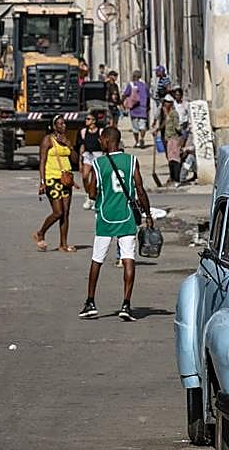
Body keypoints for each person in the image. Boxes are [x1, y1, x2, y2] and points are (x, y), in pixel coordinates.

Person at [79, 126, 152, 321]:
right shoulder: (131, 161)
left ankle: (91, 302)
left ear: (106, 140)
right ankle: (126, 305)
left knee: (97, 259)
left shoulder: (99, 163)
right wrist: (148, 214)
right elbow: (140, 189)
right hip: (126, 216)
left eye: (101, 140)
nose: (100, 143)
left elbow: (92, 193)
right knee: (128, 258)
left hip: (105, 216)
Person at [34, 114, 77, 253]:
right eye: (60, 124)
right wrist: (42, 182)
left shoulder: (66, 140)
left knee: (66, 213)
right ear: (54, 126)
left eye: (64, 123)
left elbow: (76, 160)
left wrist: (69, 146)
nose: (63, 126)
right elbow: (42, 161)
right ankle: (41, 232)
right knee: (58, 212)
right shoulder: (48, 140)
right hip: (52, 178)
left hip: (66, 179)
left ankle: (63, 244)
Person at [77, 112, 103, 211]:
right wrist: (80, 161)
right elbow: (82, 146)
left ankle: (95, 198)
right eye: (86, 119)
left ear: (94, 121)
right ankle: (89, 195)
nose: (86, 121)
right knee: (85, 176)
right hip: (87, 155)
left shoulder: (100, 131)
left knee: (95, 179)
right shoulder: (83, 131)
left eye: (88, 119)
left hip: (98, 155)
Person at [156, 94, 184, 185]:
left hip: (174, 138)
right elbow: (165, 123)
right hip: (168, 138)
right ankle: (172, 177)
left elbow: (177, 126)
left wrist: (181, 135)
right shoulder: (167, 113)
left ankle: (176, 179)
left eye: (167, 103)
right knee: (170, 159)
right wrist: (158, 129)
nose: (165, 105)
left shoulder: (174, 113)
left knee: (175, 159)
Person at [122, 71, 151, 148]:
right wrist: (148, 106)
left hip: (134, 108)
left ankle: (137, 142)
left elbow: (125, 95)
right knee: (143, 126)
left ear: (133, 76)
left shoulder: (130, 85)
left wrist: (124, 104)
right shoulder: (145, 86)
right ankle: (142, 138)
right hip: (143, 107)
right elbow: (148, 97)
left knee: (135, 127)